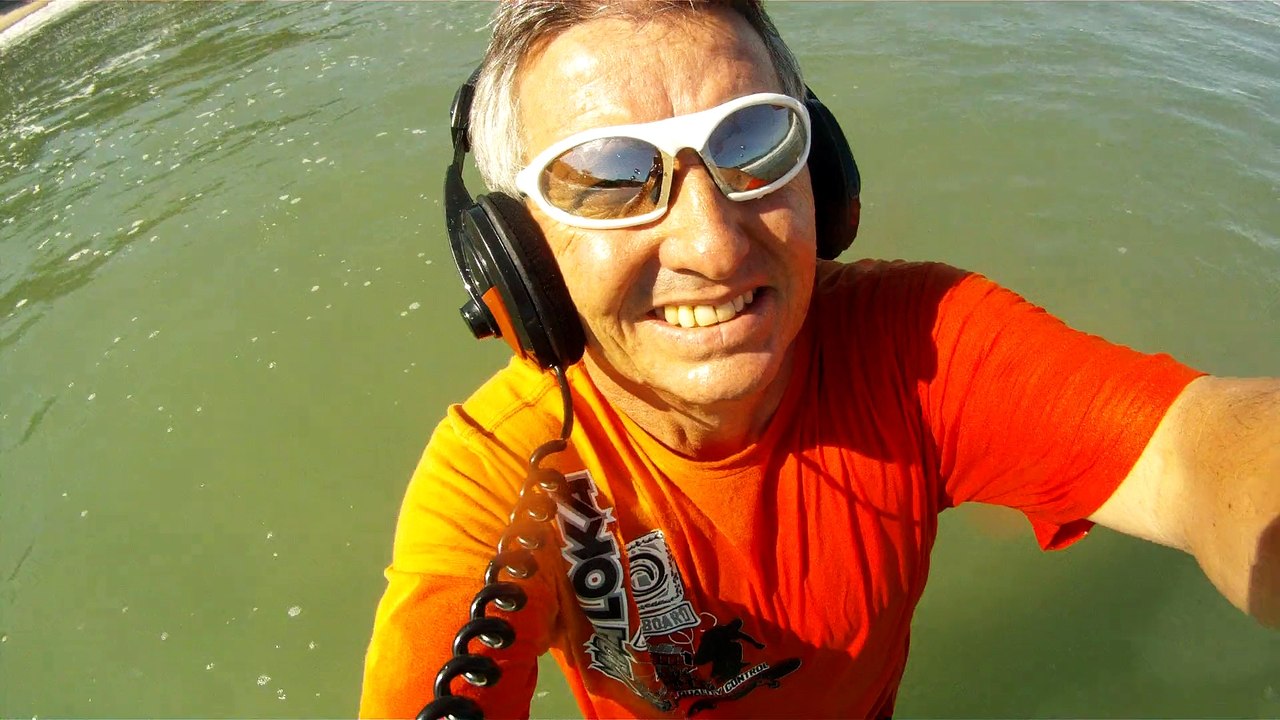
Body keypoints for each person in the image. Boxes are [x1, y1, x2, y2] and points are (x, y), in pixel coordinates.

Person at [360, 1, 1279, 718]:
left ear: (824, 176)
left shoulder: (916, 345)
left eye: (753, 143)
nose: (713, 246)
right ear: (517, 251)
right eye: (609, 177)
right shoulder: (494, 481)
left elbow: (1198, 448)